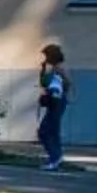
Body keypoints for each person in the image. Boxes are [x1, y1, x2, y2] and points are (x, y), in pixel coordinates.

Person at [36, 43, 70, 172]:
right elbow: (44, 83)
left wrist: (56, 94)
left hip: (57, 101)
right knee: (52, 130)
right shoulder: (53, 69)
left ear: (52, 56)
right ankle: (56, 157)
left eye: (47, 55)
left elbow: (67, 83)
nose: (45, 58)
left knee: (45, 131)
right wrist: (43, 70)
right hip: (55, 102)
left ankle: (55, 158)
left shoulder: (59, 69)